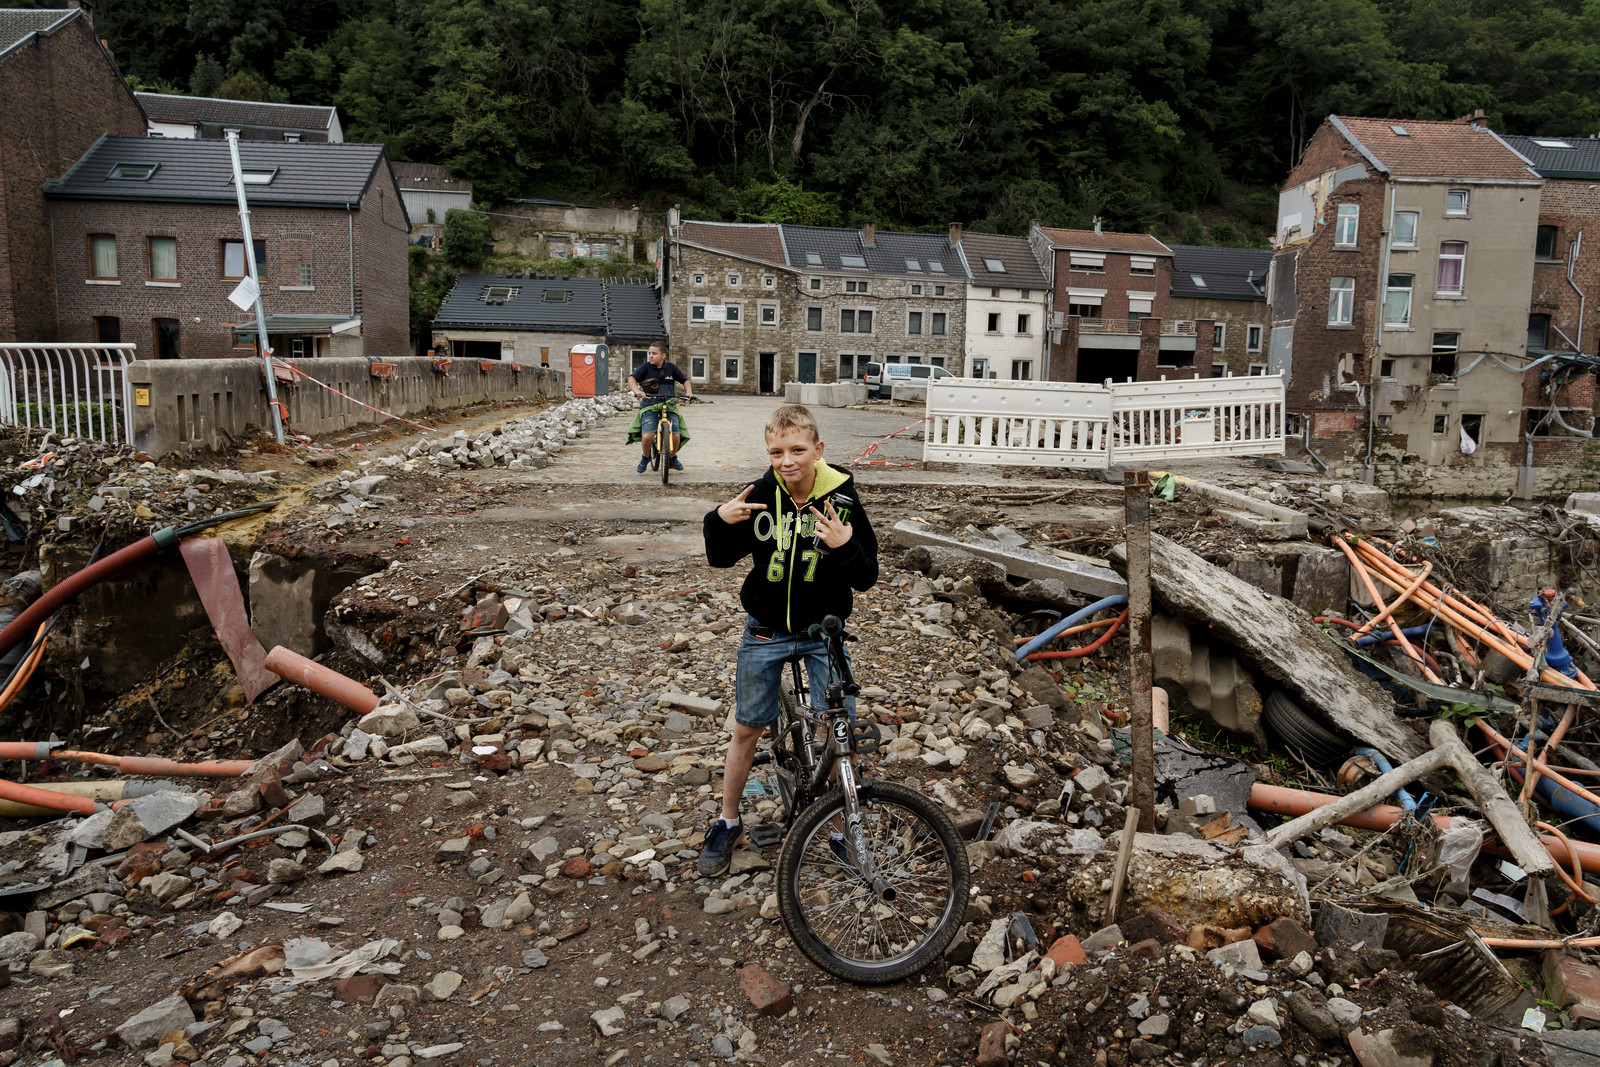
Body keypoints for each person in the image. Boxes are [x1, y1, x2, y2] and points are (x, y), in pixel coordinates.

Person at [698, 404, 879, 877]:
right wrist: (718, 518)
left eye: (797, 450)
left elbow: (867, 577)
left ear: (818, 450)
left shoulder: (841, 500)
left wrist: (845, 547)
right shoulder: (760, 494)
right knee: (747, 727)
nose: (786, 460)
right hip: (765, 630)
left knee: (841, 730)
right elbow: (720, 558)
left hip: (825, 633)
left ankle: (843, 829)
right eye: (776, 451)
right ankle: (727, 820)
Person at [628, 340, 692, 473]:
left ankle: (673, 457)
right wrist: (638, 391)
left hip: (669, 405)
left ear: (663, 355)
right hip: (650, 405)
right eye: (649, 353)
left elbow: (685, 381)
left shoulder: (671, 368)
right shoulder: (645, 367)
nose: (651, 356)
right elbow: (632, 379)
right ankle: (645, 457)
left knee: (675, 435)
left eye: (654, 353)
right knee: (647, 436)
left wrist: (689, 393)